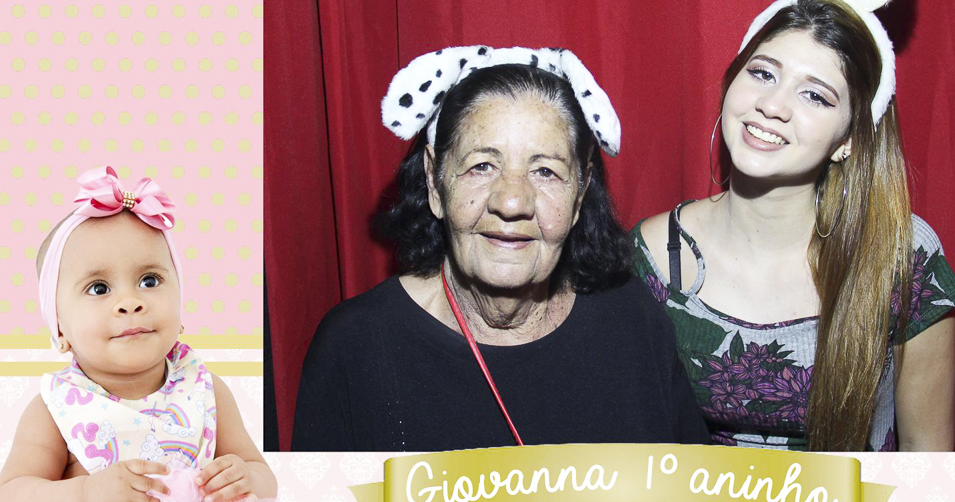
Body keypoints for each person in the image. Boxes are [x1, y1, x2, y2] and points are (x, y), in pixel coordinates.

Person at [632, 0, 955, 452]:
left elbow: (929, 463)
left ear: (849, 139)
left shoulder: (901, 257)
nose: (773, 105)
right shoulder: (652, 258)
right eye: (763, 73)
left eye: (815, 95)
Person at [292, 46, 709, 452]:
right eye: (482, 166)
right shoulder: (356, 346)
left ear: (579, 195)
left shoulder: (632, 320)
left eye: (545, 171)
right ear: (435, 182)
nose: (511, 202)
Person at [0, 166, 277, 502]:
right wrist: (85, 497)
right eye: (99, 288)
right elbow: (11, 500)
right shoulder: (58, 407)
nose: (130, 302)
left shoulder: (204, 389)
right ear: (59, 328)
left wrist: (246, 483)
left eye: (150, 280)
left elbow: (262, 477)